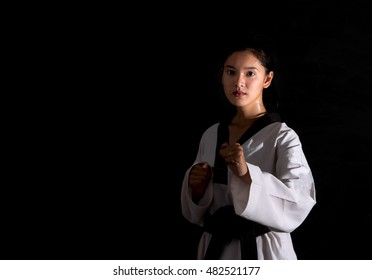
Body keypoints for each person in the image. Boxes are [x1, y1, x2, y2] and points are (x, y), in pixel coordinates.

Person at [180, 36, 316, 260]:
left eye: (250, 73)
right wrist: (197, 188)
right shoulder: (211, 134)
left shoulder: (282, 137)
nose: (238, 82)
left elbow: (298, 203)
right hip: (216, 249)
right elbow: (198, 211)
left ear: (267, 79)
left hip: (264, 251)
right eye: (231, 72)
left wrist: (246, 174)